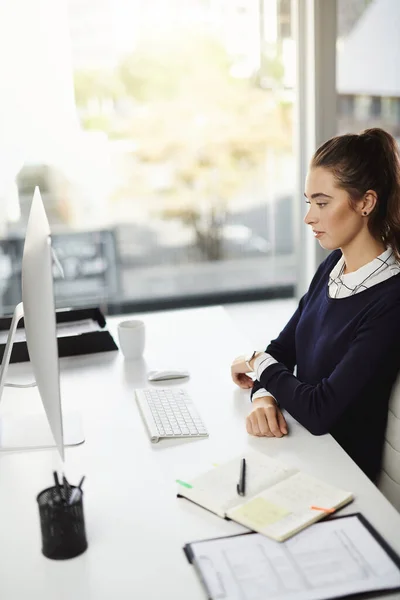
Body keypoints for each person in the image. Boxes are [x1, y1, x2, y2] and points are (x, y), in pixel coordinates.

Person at [231, 128, 400, 483]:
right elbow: (282, 349)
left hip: (340, 476)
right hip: (298, 451)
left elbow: (320, 409)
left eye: (322, 203)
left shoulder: (391, 300)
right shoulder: (332, 267)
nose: (309, 217)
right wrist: (264, 398)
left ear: (366, 202)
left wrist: (255, 362)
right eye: (309, 202)